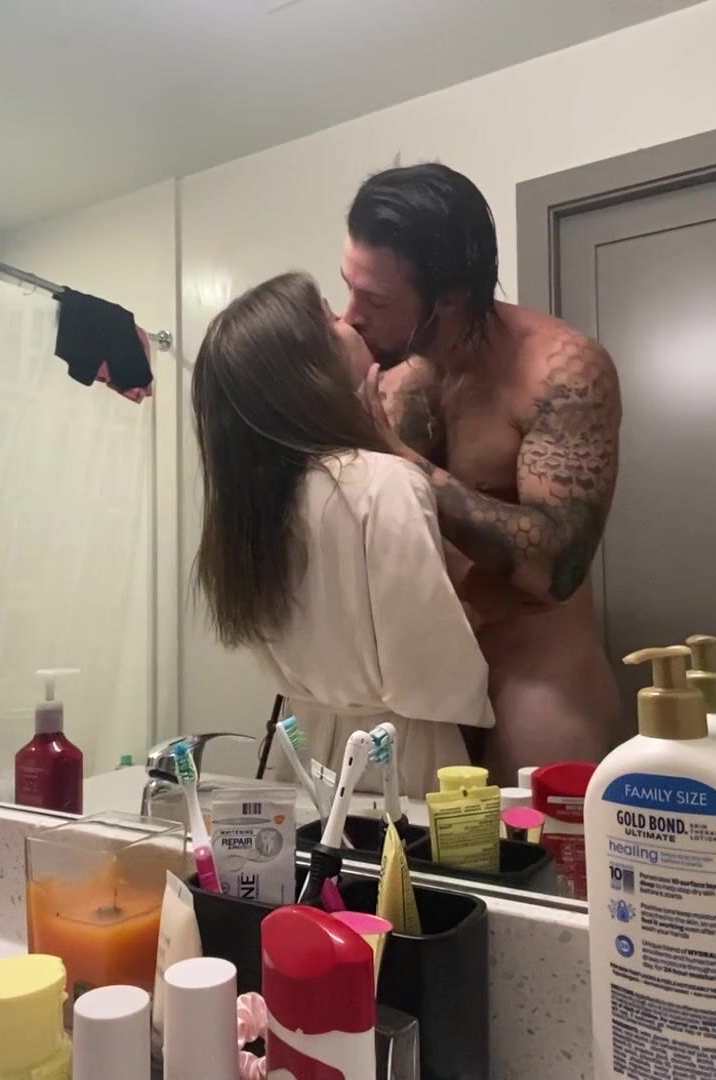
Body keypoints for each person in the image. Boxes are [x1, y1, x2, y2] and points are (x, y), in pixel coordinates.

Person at [341, 163, 624, 782]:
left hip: (535, 674)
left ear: (450, 297)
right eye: (350, 288)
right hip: (421, 682)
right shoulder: (390, 372)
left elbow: (557, 565)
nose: (352, 314)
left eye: (376, 301)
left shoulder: (560, 370)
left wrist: (396, 454)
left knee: (541, 844)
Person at [191, 271, 494, 796]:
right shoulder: (384, 482)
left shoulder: (250, 507)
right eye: (332, 316)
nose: (350, 319)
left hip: (302, 754)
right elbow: (436, 667)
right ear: (312, 367)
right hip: (396, 758)